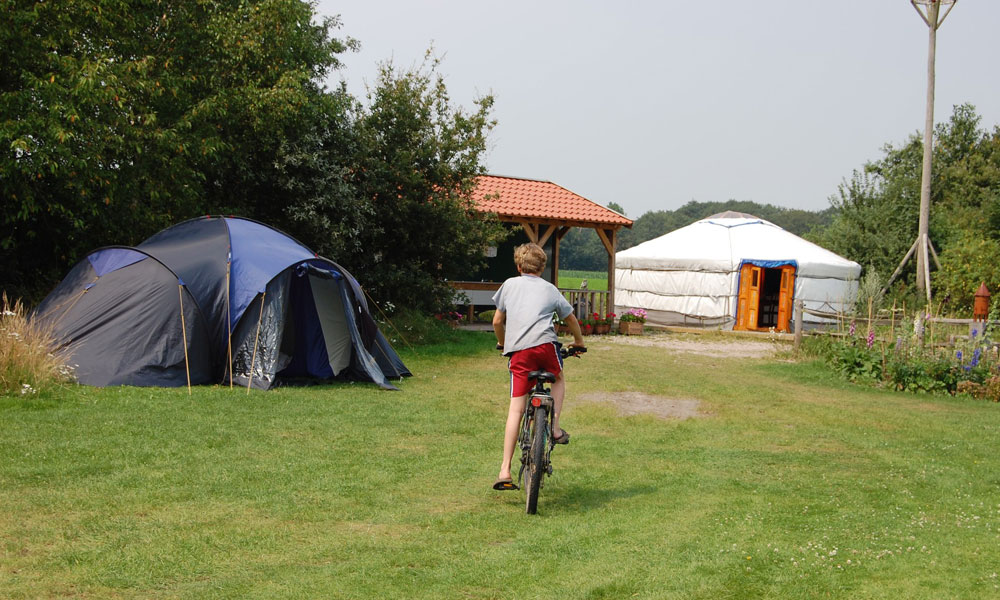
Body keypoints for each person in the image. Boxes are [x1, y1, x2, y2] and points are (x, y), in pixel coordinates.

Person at [490, 243, 584, 491]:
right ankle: (553, 428)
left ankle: (504, 470)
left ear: (518, 265)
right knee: (559, 379)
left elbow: (498, 320)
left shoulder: (509, 285)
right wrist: (579, 342)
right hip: (545, 347)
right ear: (542, 268)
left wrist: (502, 342)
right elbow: (570, 318)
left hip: (519, 353)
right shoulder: (550, 289)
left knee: (516, 409)